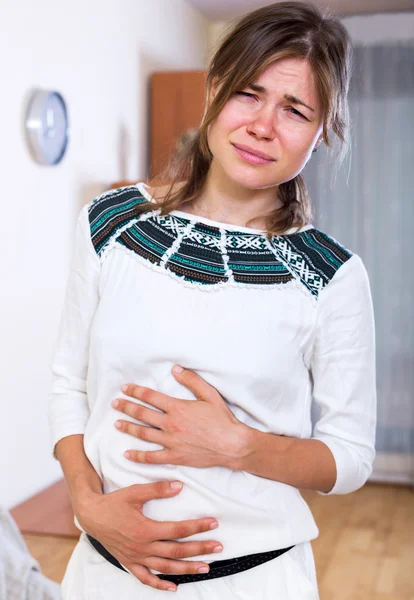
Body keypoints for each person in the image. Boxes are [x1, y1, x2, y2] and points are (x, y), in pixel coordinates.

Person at [48, 2, 377, 598]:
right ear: (216, 86)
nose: (263, 126)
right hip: (101, 573)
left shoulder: (331, 275)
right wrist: (86, 502)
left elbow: (350, 458)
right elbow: (67, 384)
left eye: (296, 110)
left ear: (324, 131)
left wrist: (239, 446)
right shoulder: (110, 223)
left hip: (254, 581)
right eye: (249, 94)